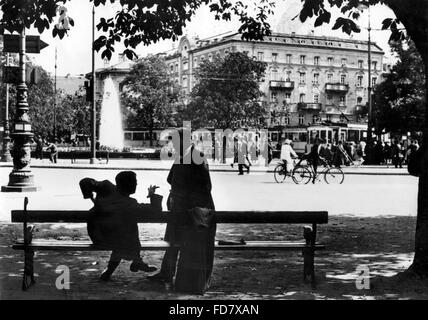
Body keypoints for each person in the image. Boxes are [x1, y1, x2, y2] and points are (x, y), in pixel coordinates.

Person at [148, 129, 216, 295]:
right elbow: (172, 179)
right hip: (180, 208)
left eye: (176, 142)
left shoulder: (195, 158)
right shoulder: (184, 156)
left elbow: (205, 187)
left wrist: (185, 200)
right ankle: (166, 272)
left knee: (178, 241)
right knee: (172, 240)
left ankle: (171, 274)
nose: (173, 145)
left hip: (190, 210)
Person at [79, 171, 162, 281]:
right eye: (135, 182)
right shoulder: (130, 204)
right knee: (127, 231)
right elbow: (154, 211)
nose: (136, 185)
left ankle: (111, 271)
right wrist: (152, 194)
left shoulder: (105, 187)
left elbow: (85, 182)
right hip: (114, 239)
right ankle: (136, 261)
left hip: (98, 236)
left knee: (122, 231)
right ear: (129, 185)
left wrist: (89, 195)